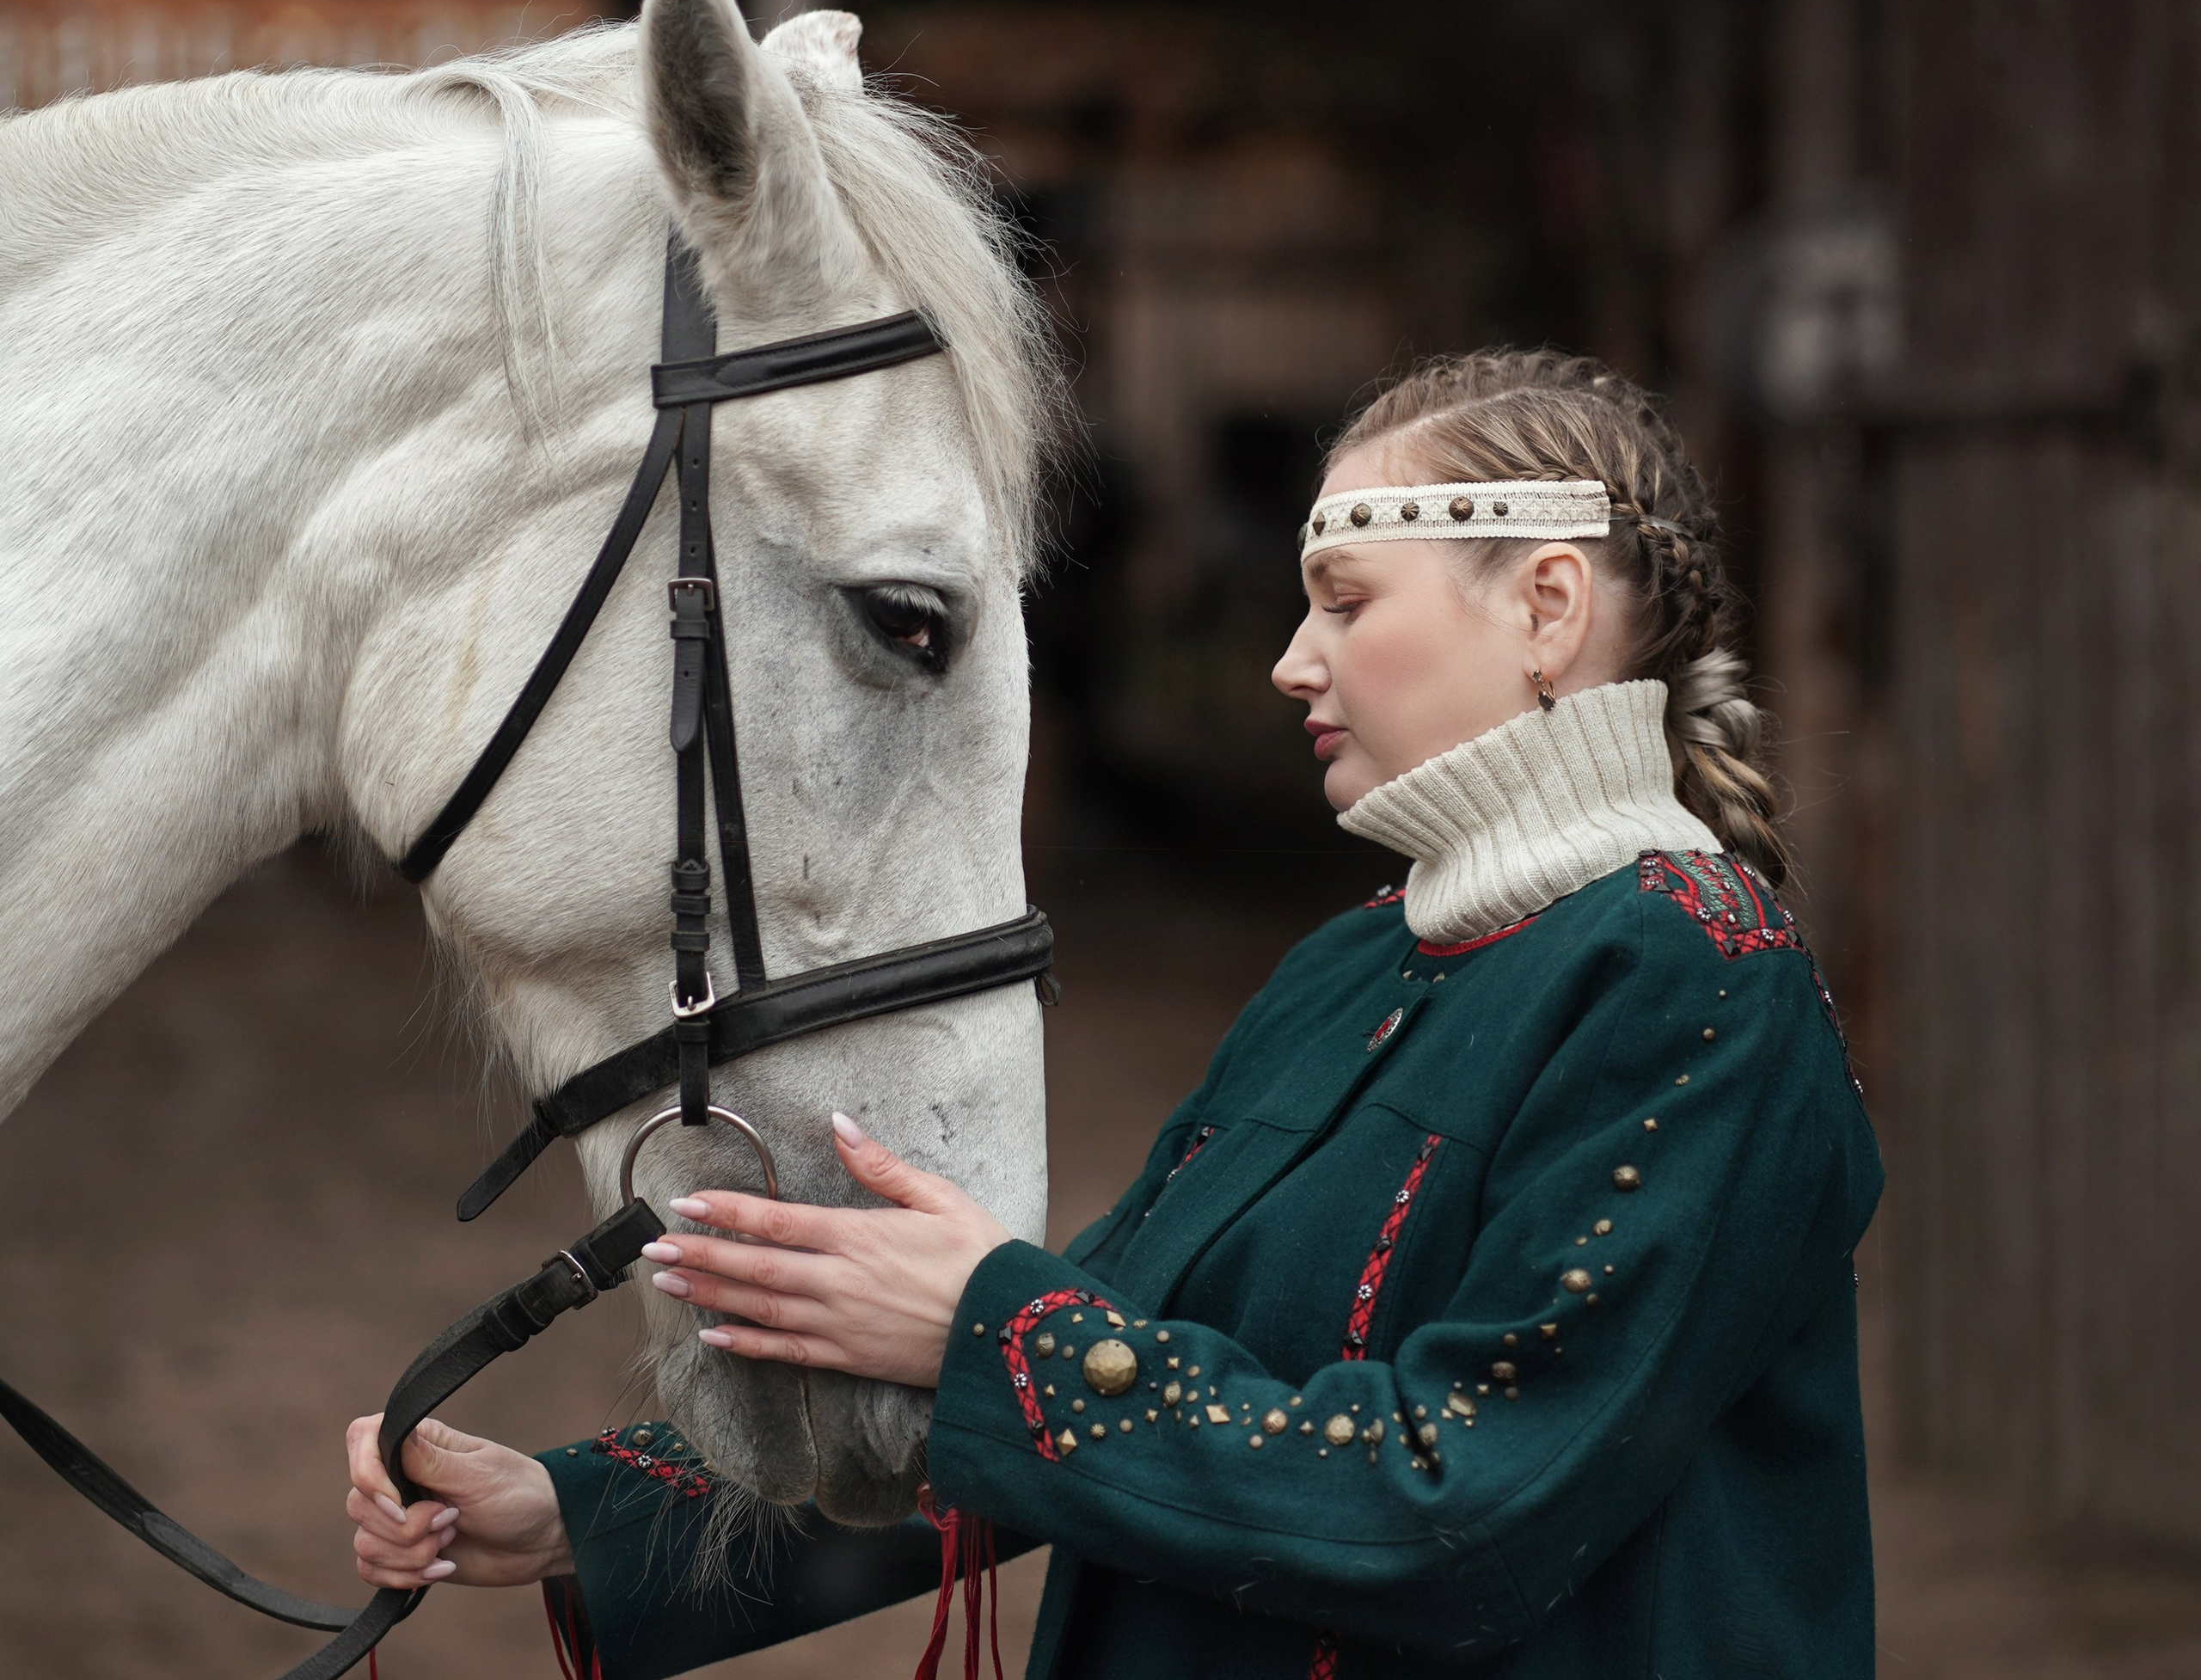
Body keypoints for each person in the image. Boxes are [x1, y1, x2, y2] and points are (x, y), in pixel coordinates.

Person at [346, 349, 1882, 1679]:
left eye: (1345, 600)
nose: (1293, 662)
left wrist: (985, 1328)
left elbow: (1458, 1502)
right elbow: (1093, 1396)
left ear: (1548, 607)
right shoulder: (1355, 964)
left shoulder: (1698, 976)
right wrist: (587, 1516)